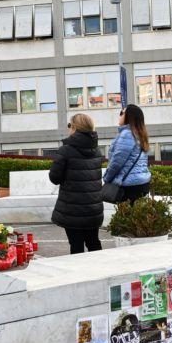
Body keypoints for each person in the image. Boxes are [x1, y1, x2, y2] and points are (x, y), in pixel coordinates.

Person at [50, 113, 104, 254]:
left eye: (70, 125)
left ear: (74, 127)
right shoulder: (97, 150)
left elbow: (54, 177)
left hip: (73, 209)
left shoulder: (65, 150)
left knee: (76, 245)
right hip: (93, 207)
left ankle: (80, 275)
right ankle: (101, 271)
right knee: (94, 242)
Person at [104, 104, 151, 203]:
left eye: (122, 113)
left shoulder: (127, 134)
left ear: (129, 116)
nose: (120, 115)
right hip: (143, 183)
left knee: (126, 216)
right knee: (136, 216)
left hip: (129, 186)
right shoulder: (140, 134)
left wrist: (107, 178)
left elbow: (117, 162)